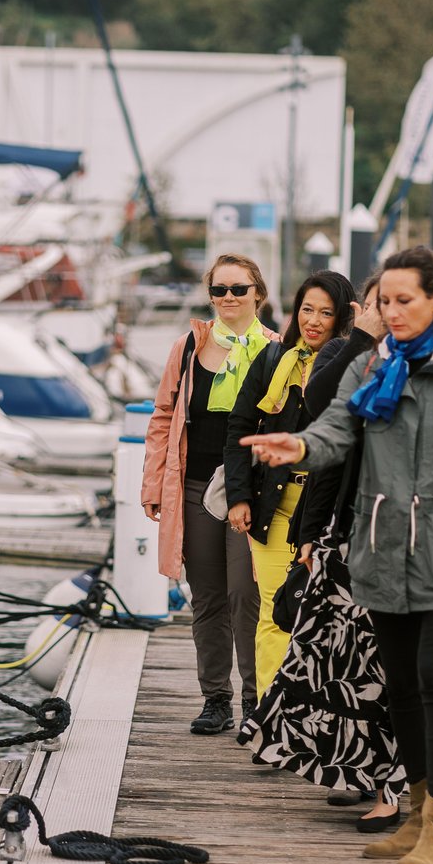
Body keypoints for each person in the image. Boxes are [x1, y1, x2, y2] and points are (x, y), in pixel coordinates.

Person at [243, 246, 433, 864]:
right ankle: (416, 808)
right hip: (379, 551)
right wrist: (300, 447)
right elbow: (336, 431)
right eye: (384, 301)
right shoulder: (370, 367)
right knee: (397, 685)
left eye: (405, 300)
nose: (392, 312)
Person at [142, 253, 279, 734]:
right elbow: (163, 417)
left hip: (252, 492)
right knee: (208, 598)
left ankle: (256, 700)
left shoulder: (278, 350)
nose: (227, 299)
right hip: (197, 486)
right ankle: (216, 700)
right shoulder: (188, 347)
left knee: (249, 595)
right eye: (218, 290)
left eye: (238, 290)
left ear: (257, 294)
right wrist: (154, 483)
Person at [224, 271, 355, 699]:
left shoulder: (351, 368)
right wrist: (239, 497)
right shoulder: (272, 359)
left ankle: (309, 711)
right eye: (306, 309)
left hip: (325, 510)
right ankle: (267, 712)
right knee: (274, 612)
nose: (313, 321)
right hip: (272, 506)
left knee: (318, 616)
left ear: (342, 319)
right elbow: (239, 428)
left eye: (325, 312)